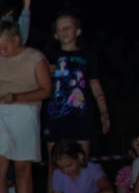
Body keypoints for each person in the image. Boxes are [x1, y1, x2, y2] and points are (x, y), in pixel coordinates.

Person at [0, 18, 51, 193]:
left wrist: (19, 97)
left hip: (25, 112)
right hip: (1, 114)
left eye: (5, 47)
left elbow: (45, 90)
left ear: (16, 39)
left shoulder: (34, 58)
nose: (2, 52)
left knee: (23, 168)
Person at [43, 12, 110, 179]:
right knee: (54, 166)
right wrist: (45, 72)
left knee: (82, 163)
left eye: (68, 27)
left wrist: (104, 113)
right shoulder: (48, 57)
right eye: (60, 28)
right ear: (56, 34)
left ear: (78, 31)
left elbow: (95, 85)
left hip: (81, 116)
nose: (64, 31)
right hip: (54, 117)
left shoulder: (88, 56)